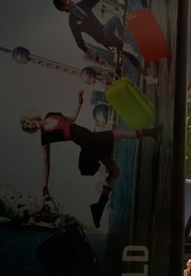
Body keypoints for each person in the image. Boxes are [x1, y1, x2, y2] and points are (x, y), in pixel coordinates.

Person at [20, 89, 161, 228]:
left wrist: (79, 103)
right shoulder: (45, 136)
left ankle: (98, 207)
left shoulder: (51, 115)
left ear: (32, 117)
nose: (30, 125)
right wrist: (45, 187)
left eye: (28, 122)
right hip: (89, 143)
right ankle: (153, 133)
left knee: (115, 171)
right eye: (28, 127)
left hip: (91, 140)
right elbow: (46, 163)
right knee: (121, 135)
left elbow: (72, 119)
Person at [52, 0, 156, 83]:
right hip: (101, 38)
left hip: (104, 30)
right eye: (66, 0)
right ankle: (127, 45)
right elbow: (80, 44)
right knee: (115, 19)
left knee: (128, 53)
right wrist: (97, 58)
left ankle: (147, 77)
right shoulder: (72, 22)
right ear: (64, 7)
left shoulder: (82, 4)